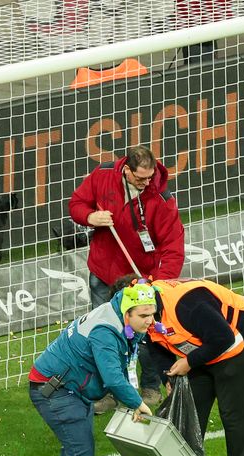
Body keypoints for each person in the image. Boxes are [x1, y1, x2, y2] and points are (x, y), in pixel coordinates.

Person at [29, 283, 158, 456]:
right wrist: (135, 402)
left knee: (75, 445)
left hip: (71, 387)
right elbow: (112, 375)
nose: (150, 320)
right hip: (57, 390)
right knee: (81, 451)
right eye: (144, 316)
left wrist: (128, 398)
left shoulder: (117, 316)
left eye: (152, 313)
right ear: (127, 312)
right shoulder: (105, 331)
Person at [68, 145, 185, 409]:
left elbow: (174, 247)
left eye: (150, 176)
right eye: (140, 177)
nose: (147, 182)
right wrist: (90, 216)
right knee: (106, 333)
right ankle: (112, 389)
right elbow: (76, 204)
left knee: (144, 335)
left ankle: (151, 386)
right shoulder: (103, 175)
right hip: (103, 272)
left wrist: (158, 285)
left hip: (141, 278)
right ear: (127, 169)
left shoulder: (162, 199)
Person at [143, 278, 244, 456]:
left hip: (240, 339)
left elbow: (224, 338)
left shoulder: (188, 305)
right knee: (192, 409)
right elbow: (155, 345)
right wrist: (167, 376)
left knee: (233, 414)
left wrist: (189, 362)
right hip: (207, 343)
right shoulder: (145, 312)